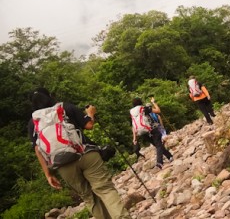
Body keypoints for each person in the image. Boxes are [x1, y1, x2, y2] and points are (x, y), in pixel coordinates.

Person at [28, 88, 131, 219]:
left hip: (64, 165)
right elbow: (88, 125)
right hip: (86, 154)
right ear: (49, 96)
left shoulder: (33, 123)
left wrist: (48, 174)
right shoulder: (65, 107)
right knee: (105, 189)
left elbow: (38, 150)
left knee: (89, 197)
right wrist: (90, 113)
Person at [131, 97, 173, 169]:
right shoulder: (143, 108)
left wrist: (134, 138)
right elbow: (158, 110)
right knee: (159, 145)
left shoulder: (132, 113)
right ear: (140, 102)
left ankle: (169, 156)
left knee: (157, 145)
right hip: (151, 129)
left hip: (141, 133)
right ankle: (159, 163)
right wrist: (153, 102)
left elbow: (133, 125)